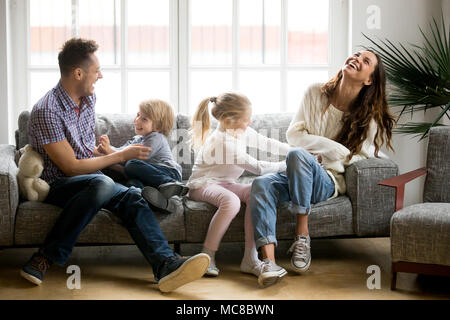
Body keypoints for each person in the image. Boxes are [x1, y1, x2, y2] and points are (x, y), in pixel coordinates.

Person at [20, 38, 209, 293]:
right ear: (78, 73)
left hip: (94, 180)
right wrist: (120, 156)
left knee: (133, 196)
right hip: (58, 184)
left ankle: (165, 265)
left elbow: (83, 151)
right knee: (103, 181)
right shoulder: (47, 110)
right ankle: (45, 257)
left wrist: (101, 154)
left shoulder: (87, 101)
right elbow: (71, 168)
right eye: (96, 70)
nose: (101, 75)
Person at [250, 50, 395, 287]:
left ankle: (302, 236)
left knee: (298, 156)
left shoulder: (369, 117)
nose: (357, 58)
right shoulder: (314, 92)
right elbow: (293, 134)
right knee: (261, 183)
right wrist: (333, 148)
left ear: (369, 80)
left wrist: (328, 158)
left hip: (327, 181)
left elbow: (363, 155)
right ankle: (269, 263)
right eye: (356, 54)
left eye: (365, 61)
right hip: (298, 173)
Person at [185, 92, 291, 277]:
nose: (249, 123)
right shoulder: (222, 142)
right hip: (202, 184)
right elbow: (258, 167)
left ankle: (250, 259)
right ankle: (207, 256)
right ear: (228, 120)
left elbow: (267, 143)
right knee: (231, 201)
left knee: (255, 192)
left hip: (225, 183)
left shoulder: (240, 131)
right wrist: (287, 165)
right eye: (245, 120)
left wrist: (296, 152)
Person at [97, 99, 188, 214]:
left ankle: (171, 184)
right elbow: (121, 152)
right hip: (150, 178)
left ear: (159, 126)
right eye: (138, 115)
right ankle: (161, 203)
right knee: (133, 184)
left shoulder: (155, 137)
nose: (137, 120)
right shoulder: (137, 139)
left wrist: (109, 151)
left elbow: (139, 157)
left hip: (168, 172)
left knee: (132, 165)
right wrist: (104, 149)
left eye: (144, 119)